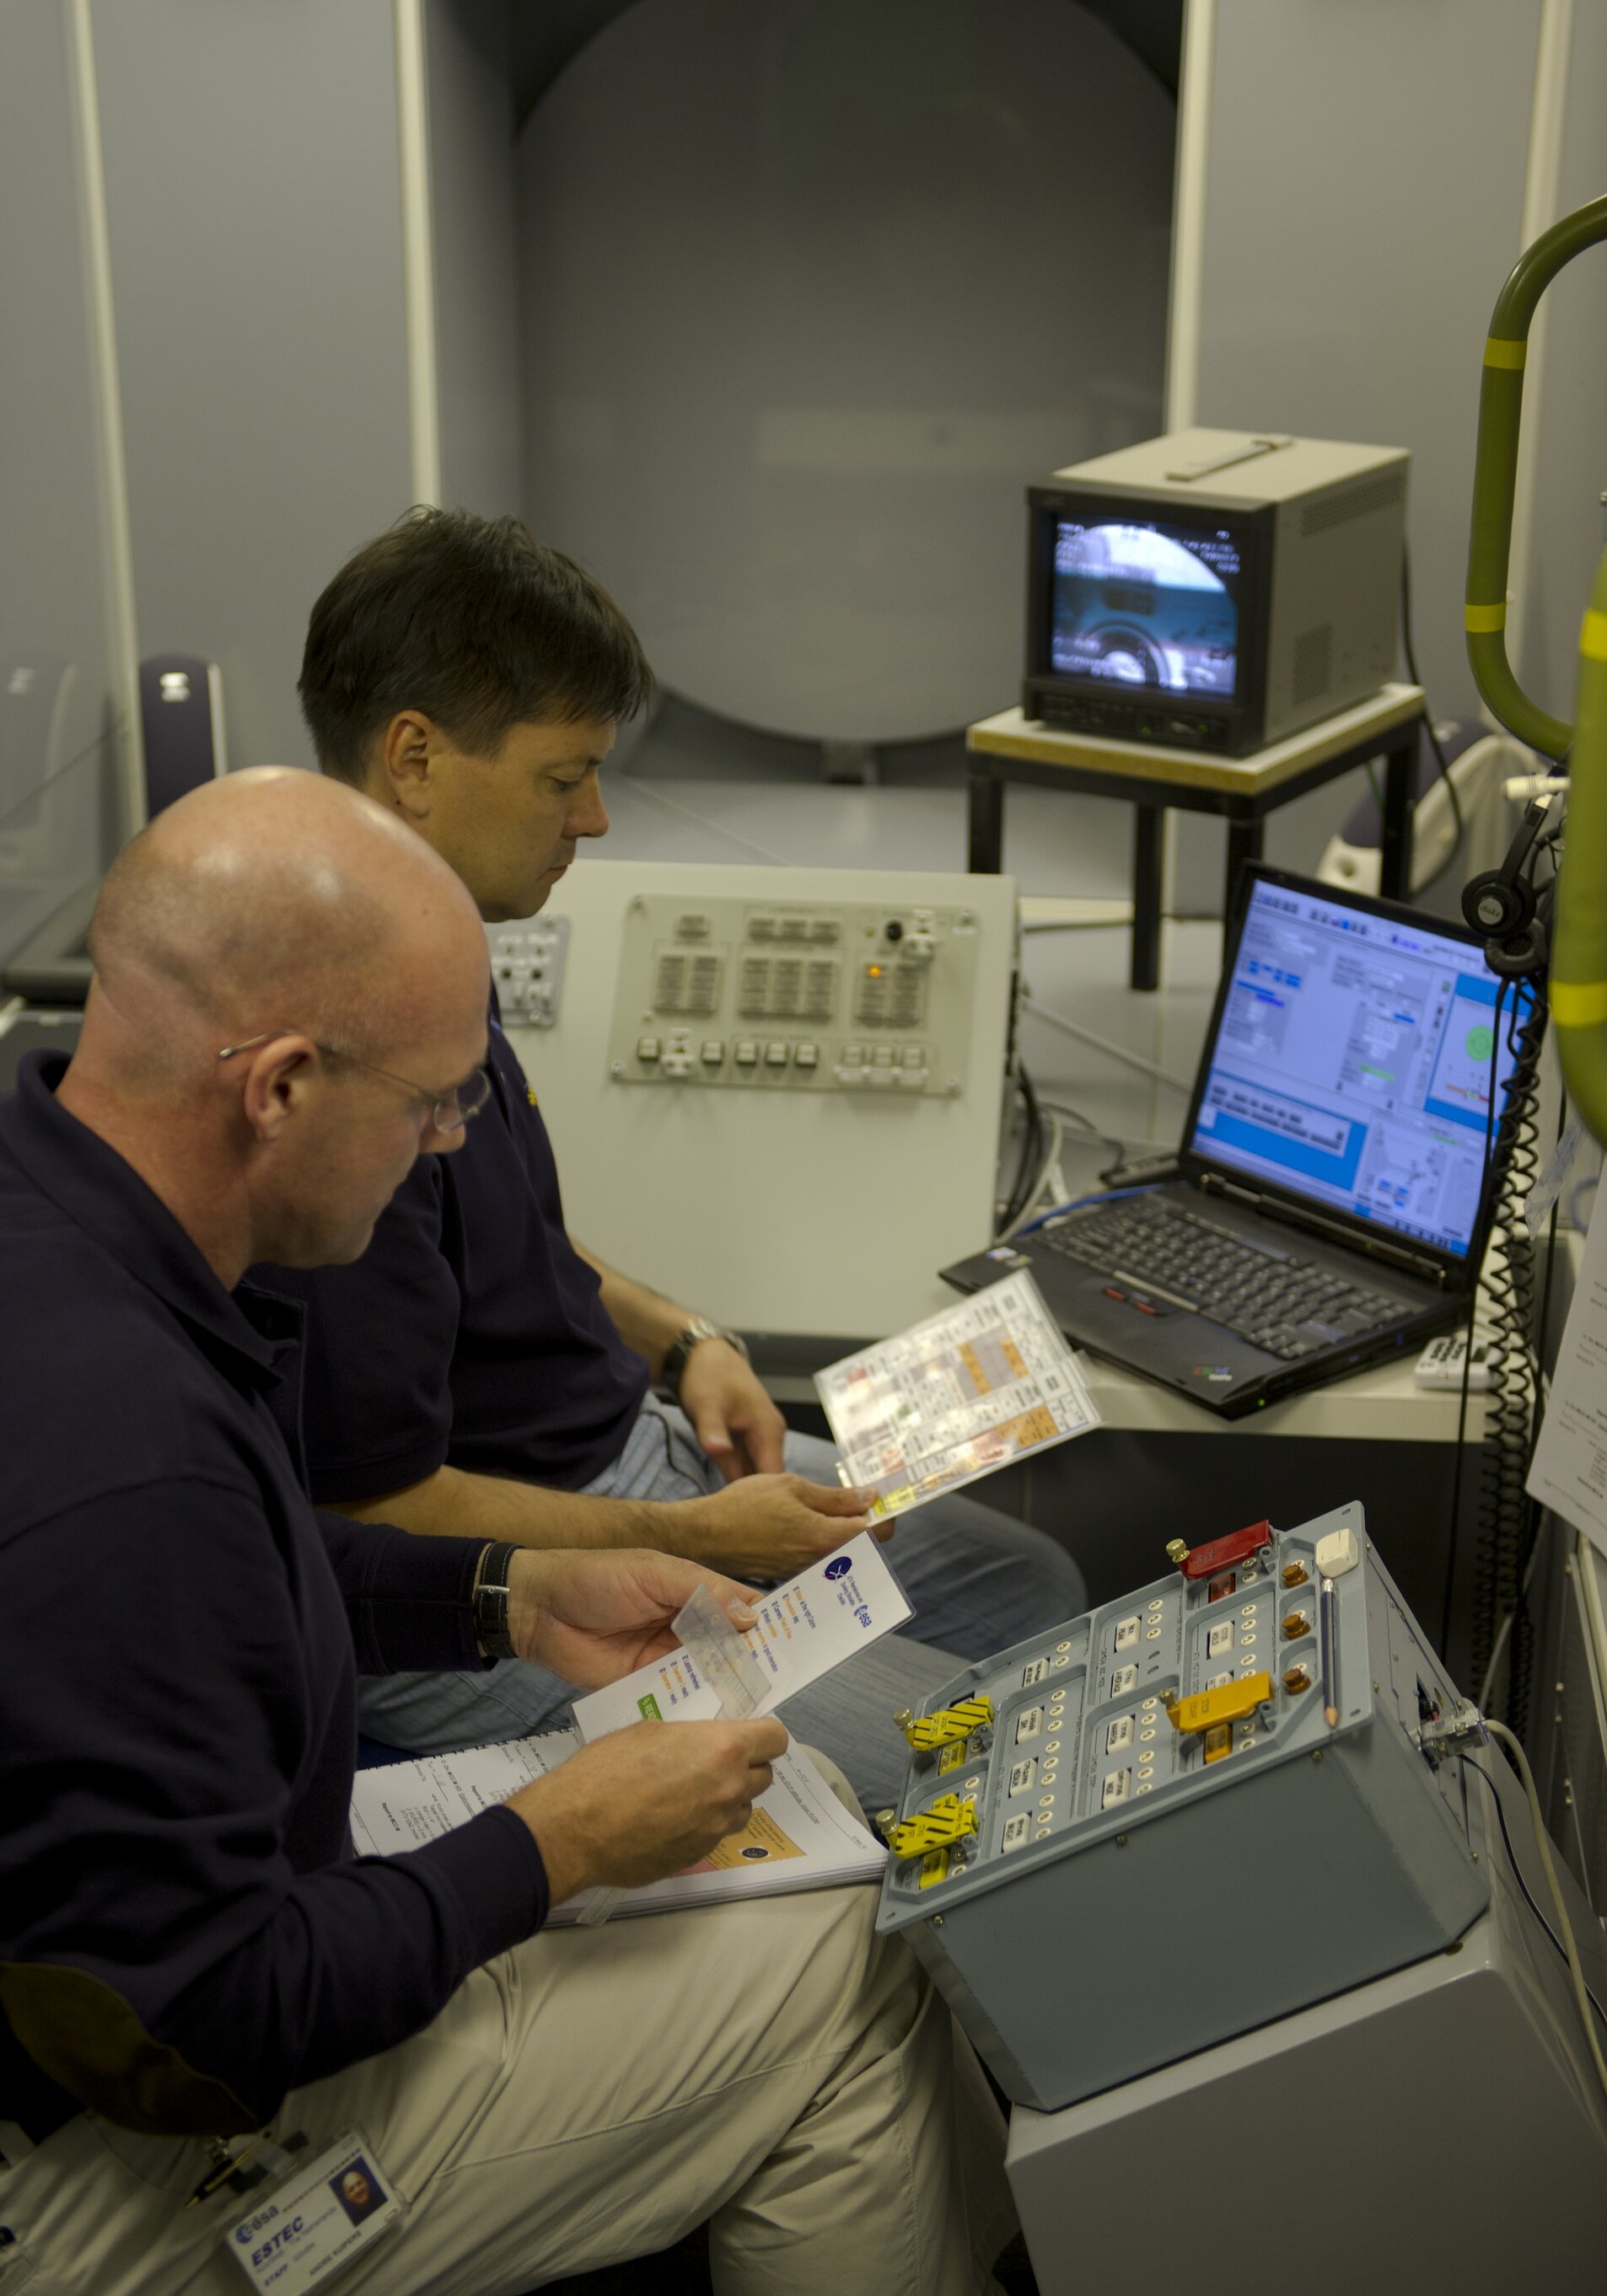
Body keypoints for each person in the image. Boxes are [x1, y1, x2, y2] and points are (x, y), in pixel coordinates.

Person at [0, 772, 1029, 2296]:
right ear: (275, 1088)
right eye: (430, 1106)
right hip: (86, 2201)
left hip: (129, 1983)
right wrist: (557, 1847)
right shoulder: (131, 1457)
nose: (450, 1142)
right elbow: (200, 2024)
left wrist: (509, 1596)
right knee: (846, 1955)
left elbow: (244, 1574)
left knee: (805, 1850)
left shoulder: (59, 1204)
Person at [259, 509, 1087, 1807]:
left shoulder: (437, 939)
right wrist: (688, 1536)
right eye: (559, 777)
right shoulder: (329, 1052)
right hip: (485, 1567)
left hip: (625, 1456)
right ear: (414, 757)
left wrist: (684, 1339)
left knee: (1031, 1581)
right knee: (965, 1768)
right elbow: (381, 1511)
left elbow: (506, 1233)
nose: (593, 815)